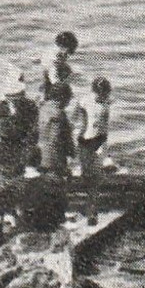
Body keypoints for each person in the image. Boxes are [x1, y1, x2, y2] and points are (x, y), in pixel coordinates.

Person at [0, 76, 39, 247]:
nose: (16, 99)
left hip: (17, 149)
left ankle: (8, 216)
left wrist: (28, 145)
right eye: (13, 96)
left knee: (8, 189)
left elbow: (34, 129)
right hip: (7, 151)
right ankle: (6, 222)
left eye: (19, 95)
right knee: (9, 187)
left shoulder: (29, 107)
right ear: (7, 96)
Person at [77, 77, 113, 225]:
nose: (103, 96)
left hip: (96, 140)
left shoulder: (105, 104)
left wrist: (103, 147)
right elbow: (79, 120)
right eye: (102, 93)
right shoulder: (85, 102)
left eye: (105, 94)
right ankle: (90, 207)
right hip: (86, 141)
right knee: (89, 176)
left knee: (94, 178)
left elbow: (104, 128)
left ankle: (92, 209)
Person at [37, 81, 74, 179]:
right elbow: (57, 137)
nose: (69, 102)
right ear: (63, 98)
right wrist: (72, 153)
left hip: (39, 157)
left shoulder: (42, 109)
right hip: (54, 161)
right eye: (69, 98)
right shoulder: (60, 114)